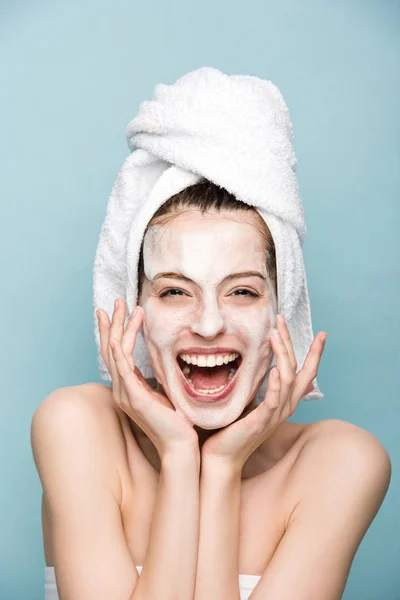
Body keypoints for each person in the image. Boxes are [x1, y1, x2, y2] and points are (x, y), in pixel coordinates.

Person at [31, 72, 391, 600]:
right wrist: (180, 456)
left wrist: (221, 467)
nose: (207, 324)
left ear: (280, 311)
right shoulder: (77, 427)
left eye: (242, 292)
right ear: (136, 312)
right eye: (175, 292)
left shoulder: (342, 463)